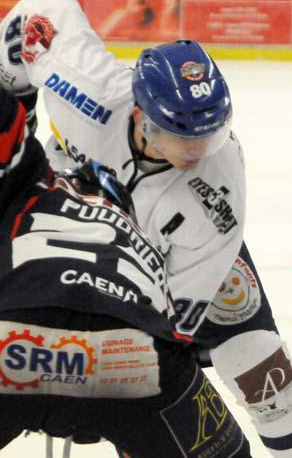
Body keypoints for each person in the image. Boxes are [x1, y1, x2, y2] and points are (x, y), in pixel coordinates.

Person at [0, 0, 292, 458]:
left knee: (262, 367)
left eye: (209, 135)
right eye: (183, 137)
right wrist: (17, 106)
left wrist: (111, 388)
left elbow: (174, 319)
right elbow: (40, 8)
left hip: (169, 259)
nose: (198, 151)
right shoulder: (84, 87)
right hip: (70, 224)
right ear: (142, 117)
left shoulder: (217, 194)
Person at [0, 88, 251, 457]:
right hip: (131, 355)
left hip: (13, 341)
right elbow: (174, 327)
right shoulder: (140, 237)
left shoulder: (32, 190)